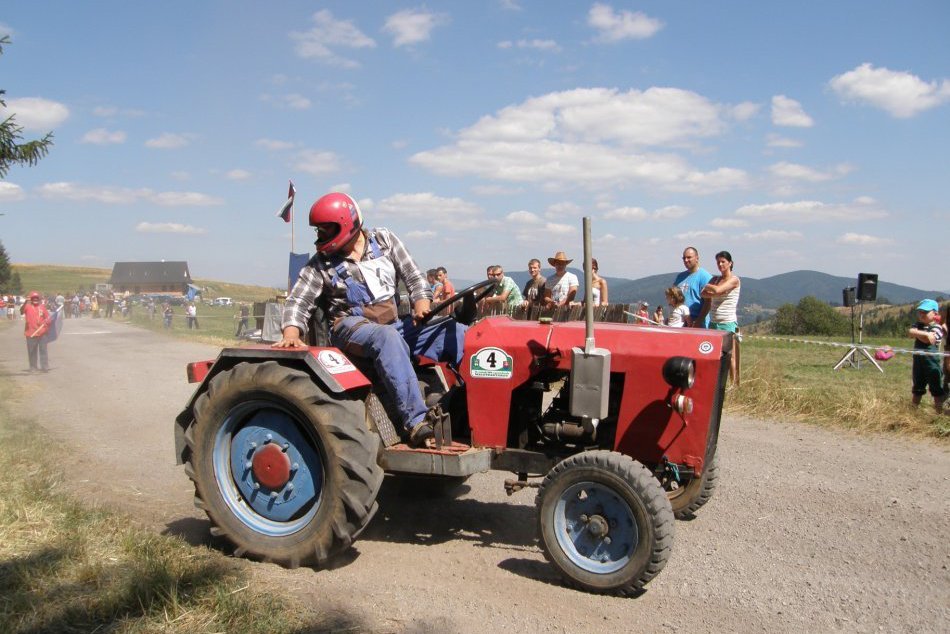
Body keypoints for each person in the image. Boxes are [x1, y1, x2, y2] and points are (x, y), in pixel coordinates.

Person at [275, 192, 466, 447]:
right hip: (350, 328)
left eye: (325, 230)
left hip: (395, 323)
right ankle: (416, 422)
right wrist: (291, 333)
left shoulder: (384, 240)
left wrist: (422, 302)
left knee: (455, 331)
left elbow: (414, 275)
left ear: (346, 224)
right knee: (386, 337)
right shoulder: (320, 264)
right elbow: (298, 300)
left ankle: (469, 405)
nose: (319, 236)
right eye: (318, 230)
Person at [701, 250, 741, 383]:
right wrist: (713, 291)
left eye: (723, 261)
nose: (720, 264)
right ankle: (718, 382)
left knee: (731, 357)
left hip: (727, 322)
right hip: (714, 322)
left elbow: (717, 290)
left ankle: (734, 384)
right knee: (715, 355)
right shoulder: (715, 279)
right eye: (718, 262)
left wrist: (708, 287)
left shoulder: (734, 280)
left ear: (730, 263)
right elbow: (703, 294)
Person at [908, 299, 946, 414]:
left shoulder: (938, 327)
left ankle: (938, 413)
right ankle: (912, 412)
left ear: (935, 313)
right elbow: (910, 332)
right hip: (918, 363)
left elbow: (930, 340)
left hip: (932, 364)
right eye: (920, 312)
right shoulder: (917, 325)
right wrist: (925, 333)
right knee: (917, 388)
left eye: (925, 312)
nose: (921, 314)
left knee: (936, 389)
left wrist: (918, 333)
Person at [674, 247, 713, 327]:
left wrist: (698, 321)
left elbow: (708, 303)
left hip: (697, 324)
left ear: (697, 258)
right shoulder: (680, 277)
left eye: (689, 257)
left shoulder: (705, 277)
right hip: (680, 323)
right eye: (684, 258)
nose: (686, 260)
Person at [23, 291, 51, 372]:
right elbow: (21, 310)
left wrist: (47, 322)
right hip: (30, 333)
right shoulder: (27, 307)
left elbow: (48, 318)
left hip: (42, 333)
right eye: (33, 298)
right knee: (32, 351)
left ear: (39, 299)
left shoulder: (42, 307)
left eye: (37, 298)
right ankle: (33, 367)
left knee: (43, 350)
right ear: (31, 299)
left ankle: (44, 366)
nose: (35, 300)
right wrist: (26, 301)